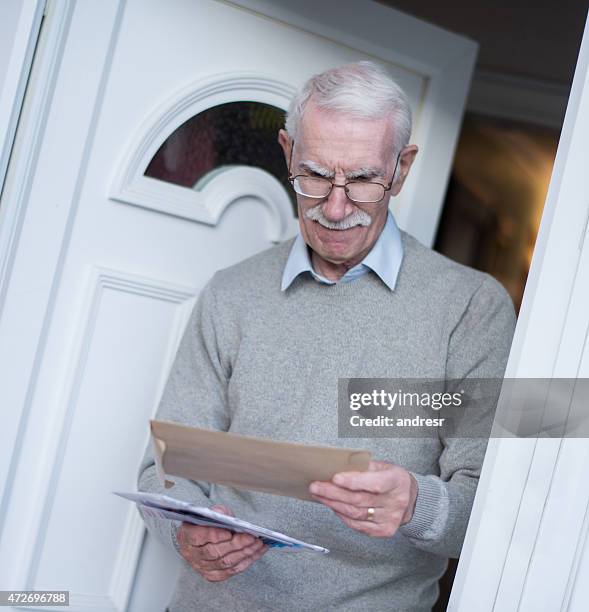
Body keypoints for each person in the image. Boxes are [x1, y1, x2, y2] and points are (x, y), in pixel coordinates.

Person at [137, 61, 516, 611]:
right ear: (288, 153)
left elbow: (491, 511)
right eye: (314, 176)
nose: (336, 209)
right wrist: (185, 530)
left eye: (363, 180)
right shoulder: (230, 294)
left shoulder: (472, 310)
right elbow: (166, 466)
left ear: (402, 169)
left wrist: (415, 504)